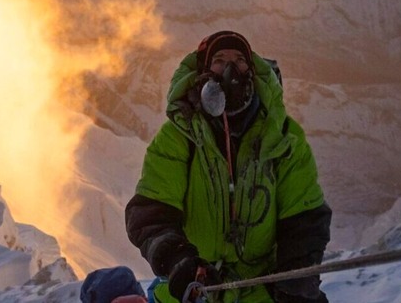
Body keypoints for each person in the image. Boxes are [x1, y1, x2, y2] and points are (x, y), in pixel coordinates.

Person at [125, 31, 332, 303]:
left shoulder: (282, 138)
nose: (230, 69)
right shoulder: (178, 137)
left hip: (265, 289)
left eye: (239, 59)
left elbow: (304, 217)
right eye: (219, 60)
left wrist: (295, 279)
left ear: (253, 71)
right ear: (203, 74)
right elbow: (151, 212)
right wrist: (177, 260)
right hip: (195, 290)